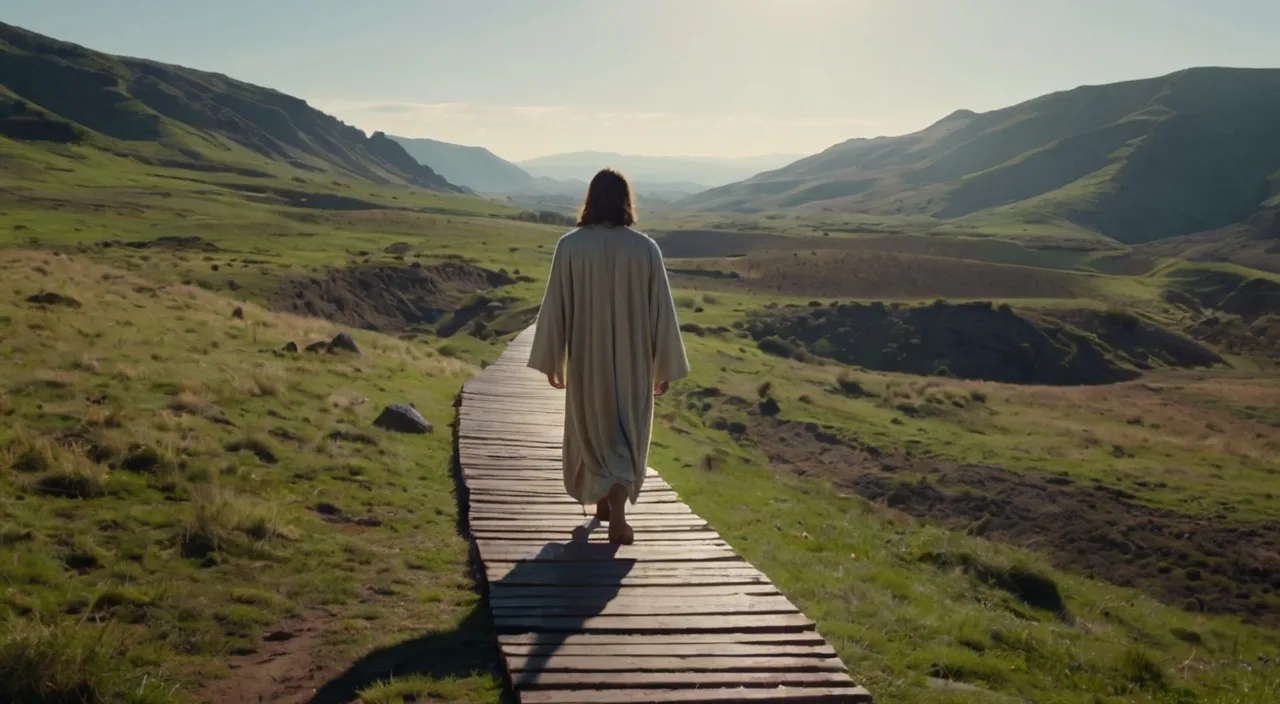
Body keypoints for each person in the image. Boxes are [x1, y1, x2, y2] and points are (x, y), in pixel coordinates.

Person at [527, 168, 690, 545]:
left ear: (590, 200)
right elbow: (661, 311)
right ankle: (615, 513)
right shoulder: (645, 249)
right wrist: (661, 365)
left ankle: (606, 504)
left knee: (592, 427)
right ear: (625, 201)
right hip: (634, 361)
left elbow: (555, 307)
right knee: (624, 432)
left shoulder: (570, 247)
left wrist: (554, 360)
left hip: (586, 360)